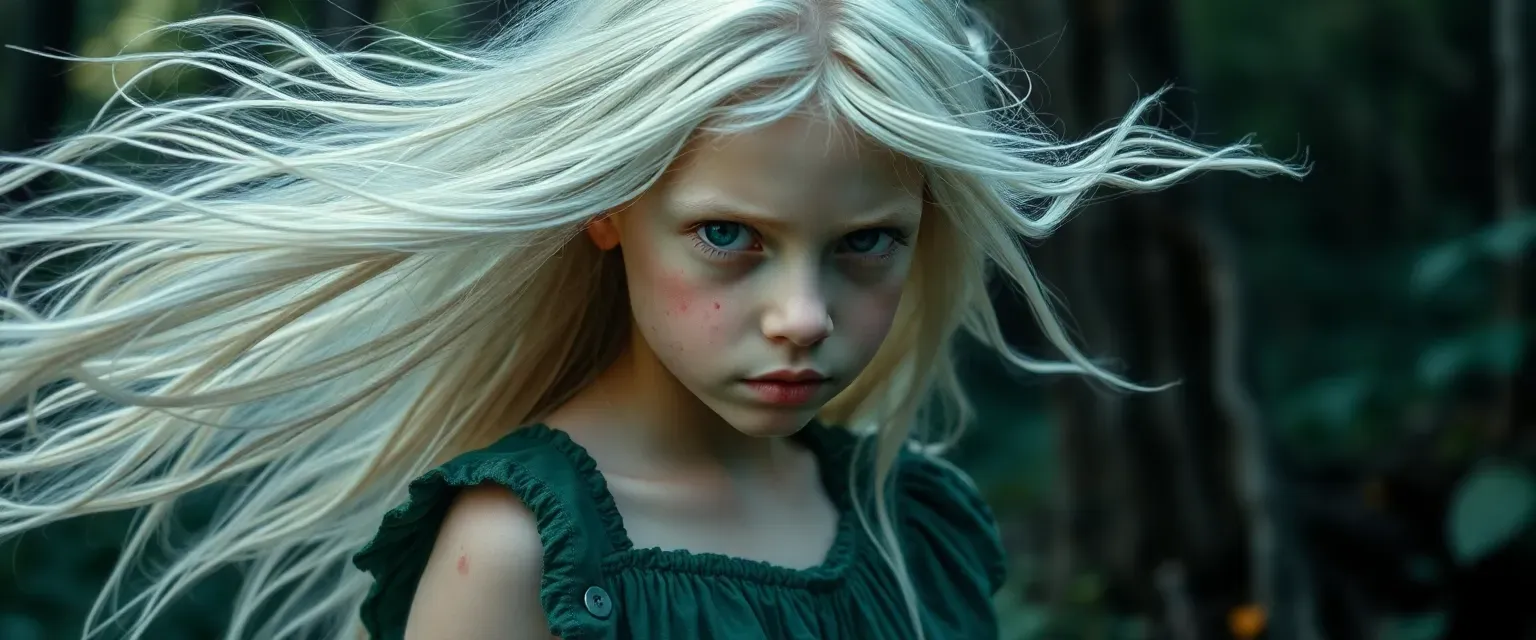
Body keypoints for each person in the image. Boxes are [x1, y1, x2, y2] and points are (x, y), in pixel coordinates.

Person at [0, 0, 1302, 638]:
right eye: (729, 238)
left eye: (865, 249)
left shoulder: (917, 522)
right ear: (609, 208)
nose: (801, 316)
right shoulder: (518, 553)